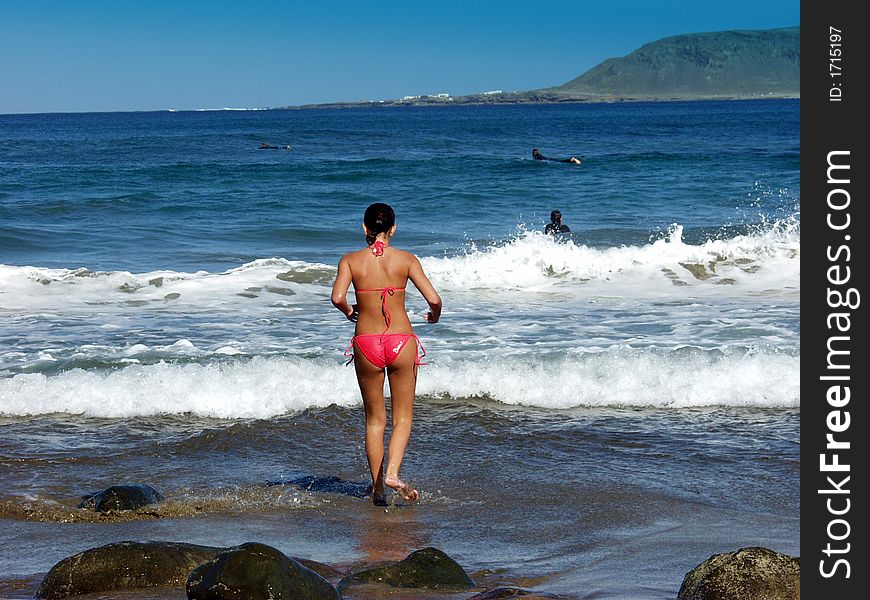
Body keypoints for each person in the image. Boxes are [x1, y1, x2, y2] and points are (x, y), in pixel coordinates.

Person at [331, 202, 442, 505]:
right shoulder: (406, 260)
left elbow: (337, 297)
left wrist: (350, 311)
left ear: (365, 229)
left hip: (366, 342)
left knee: (374, 420)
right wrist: (435, 314)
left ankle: (378, 488)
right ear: (393, 229)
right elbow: (434, 298)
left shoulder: (351, 261)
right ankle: (392, 473)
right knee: (402, 418)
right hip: (400, 342)